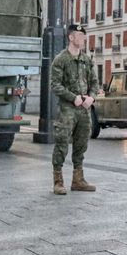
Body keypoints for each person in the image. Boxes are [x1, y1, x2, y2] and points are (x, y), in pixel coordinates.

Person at [49, 24, 99, 195]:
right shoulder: (61, 60)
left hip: (84, 110)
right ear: (71, 37)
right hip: (67, 109)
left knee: (81, 144)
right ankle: (58, 181)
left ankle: (78, 180)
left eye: (84, 36)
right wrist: (73, 98)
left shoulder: (86, 60)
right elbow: (55, 85)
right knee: (62, 143)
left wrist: (91, 97)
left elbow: (94, 82)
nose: (83, 39)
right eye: (80, 36)